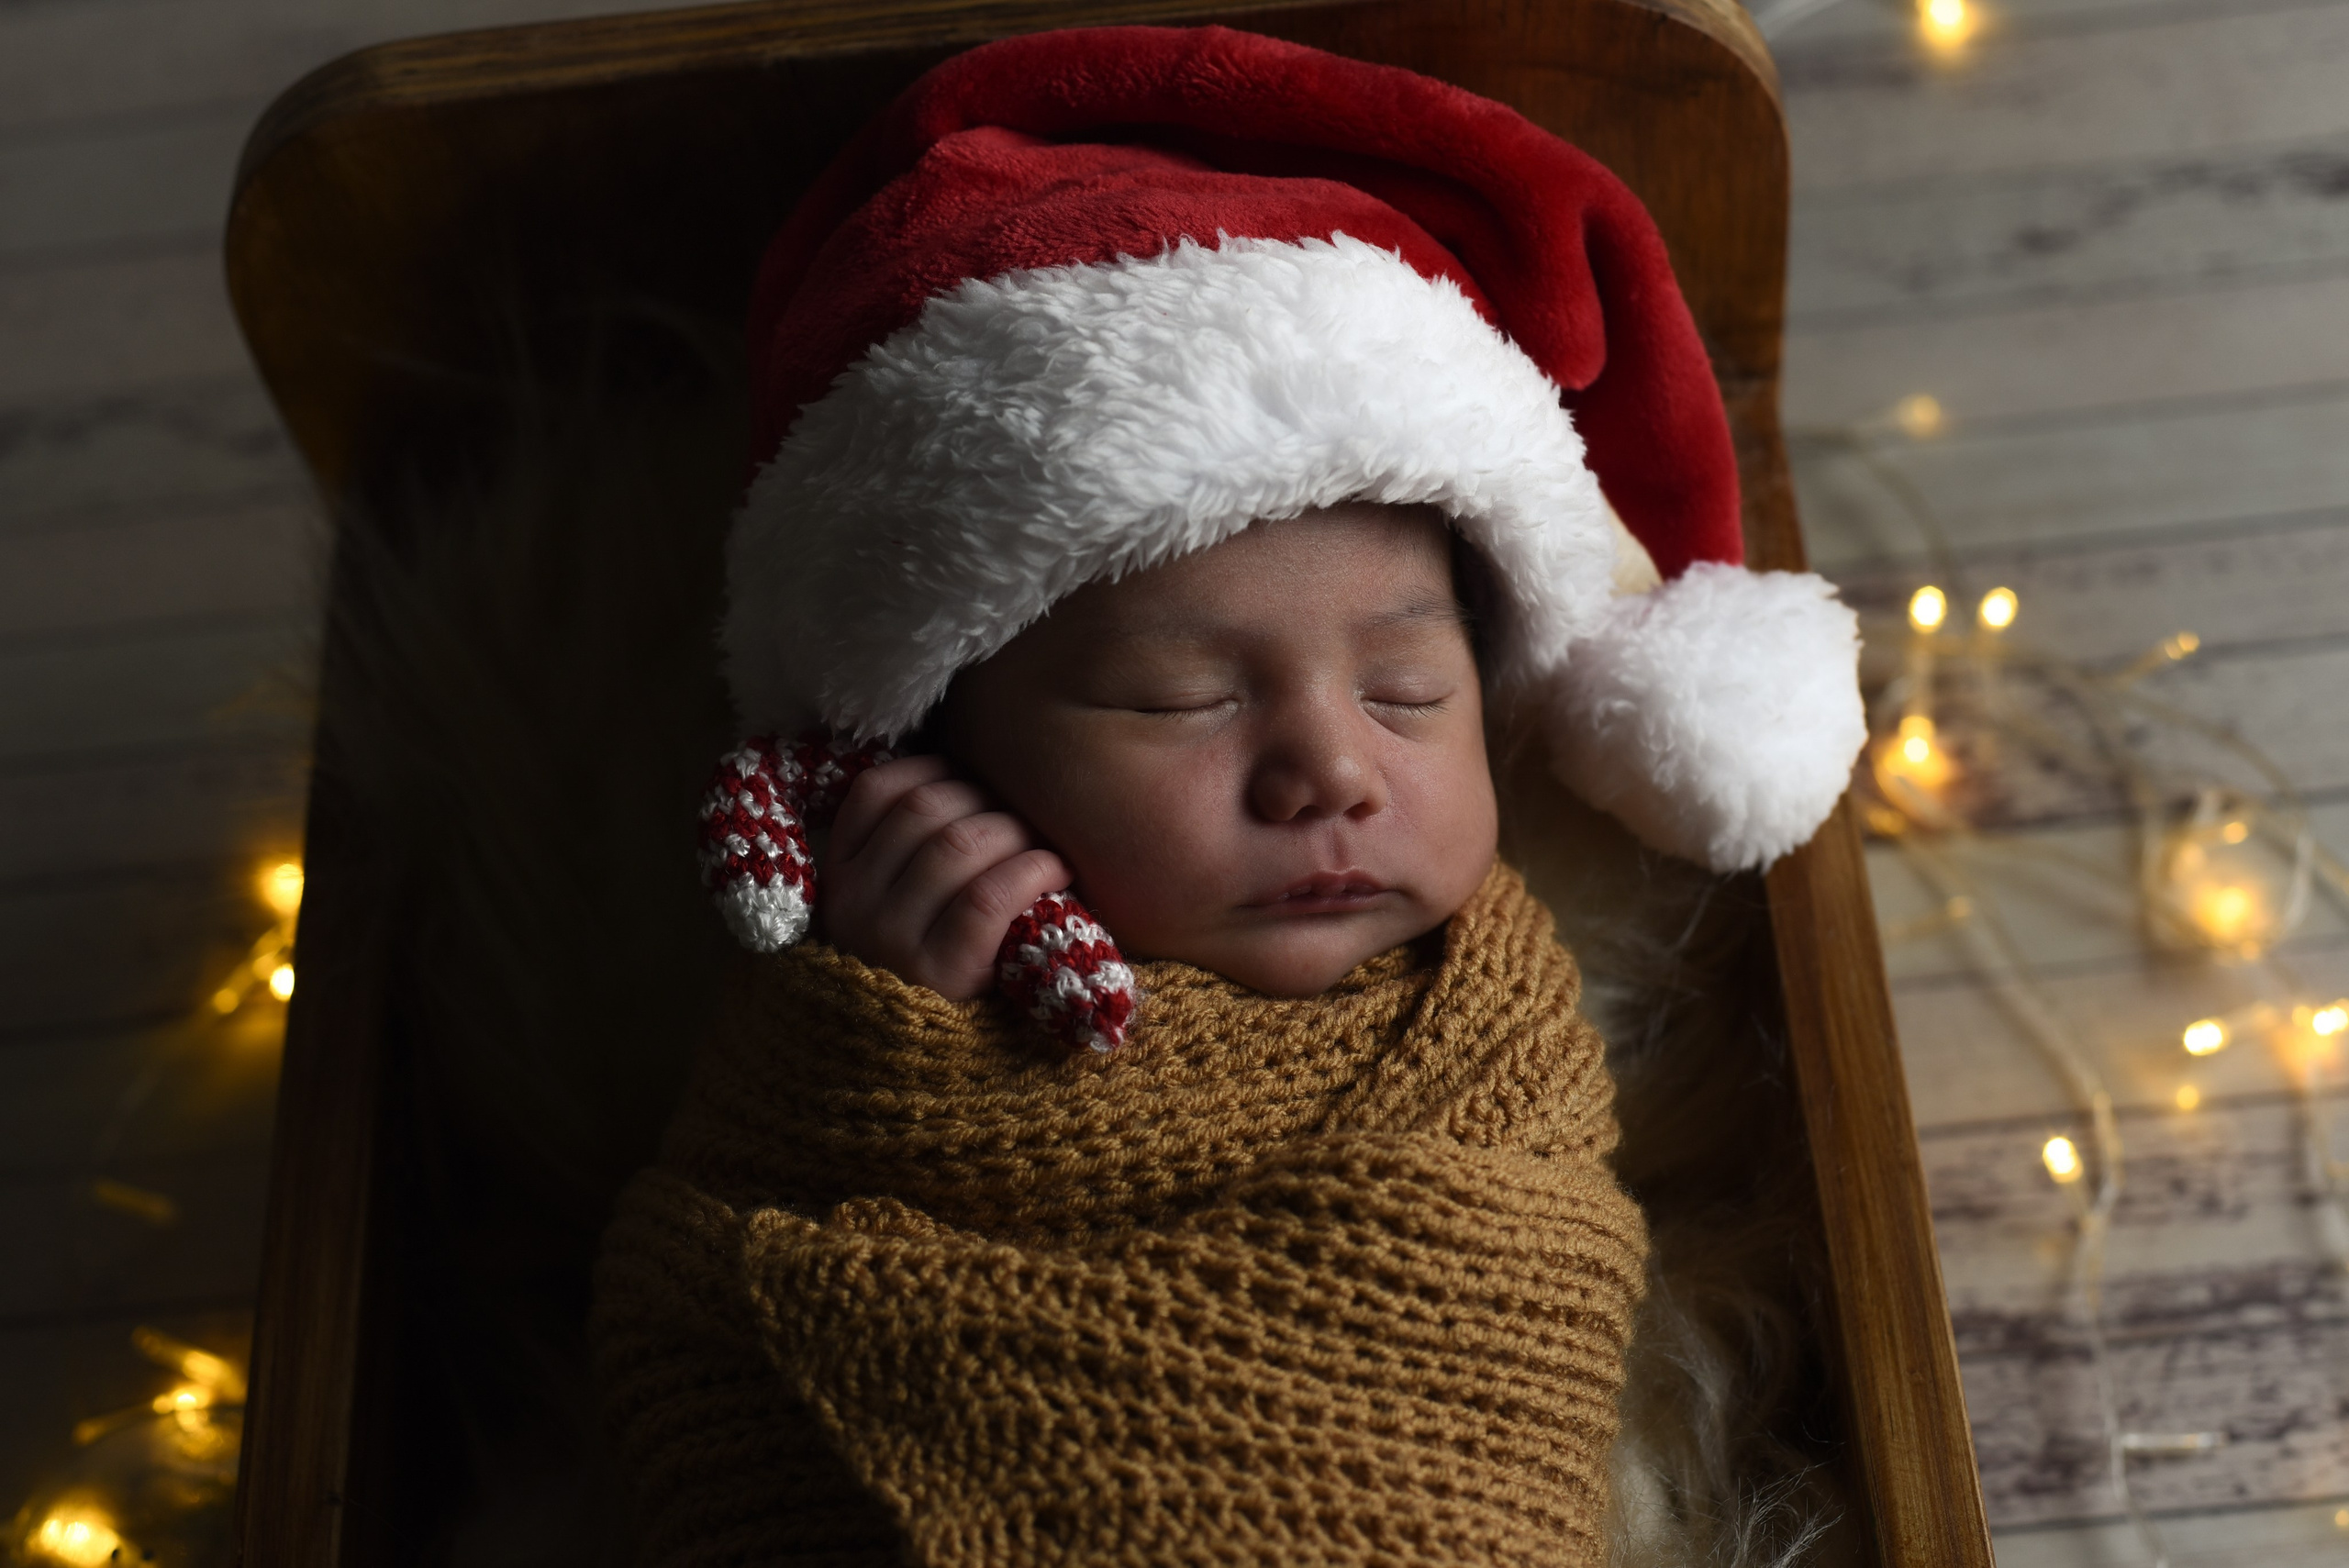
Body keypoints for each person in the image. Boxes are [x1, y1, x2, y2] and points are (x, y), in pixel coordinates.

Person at [591, 25, 1865, 1566]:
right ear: (944, 737)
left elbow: (1526, 1293)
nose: (1331, 768)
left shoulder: (1489, 1028)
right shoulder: (903, 965)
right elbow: (715, 1250)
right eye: (1181, 698)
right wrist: (876, 1025)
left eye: (1407, 692)